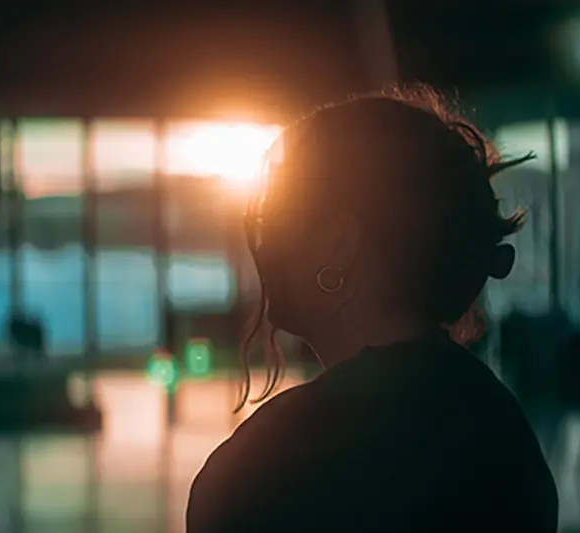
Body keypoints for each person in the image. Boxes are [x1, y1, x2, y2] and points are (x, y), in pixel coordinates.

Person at [186, 86, 558, 533]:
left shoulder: (268, 464)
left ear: (341, 245)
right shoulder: (502, 430)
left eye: (281, 212)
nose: (264, 243)